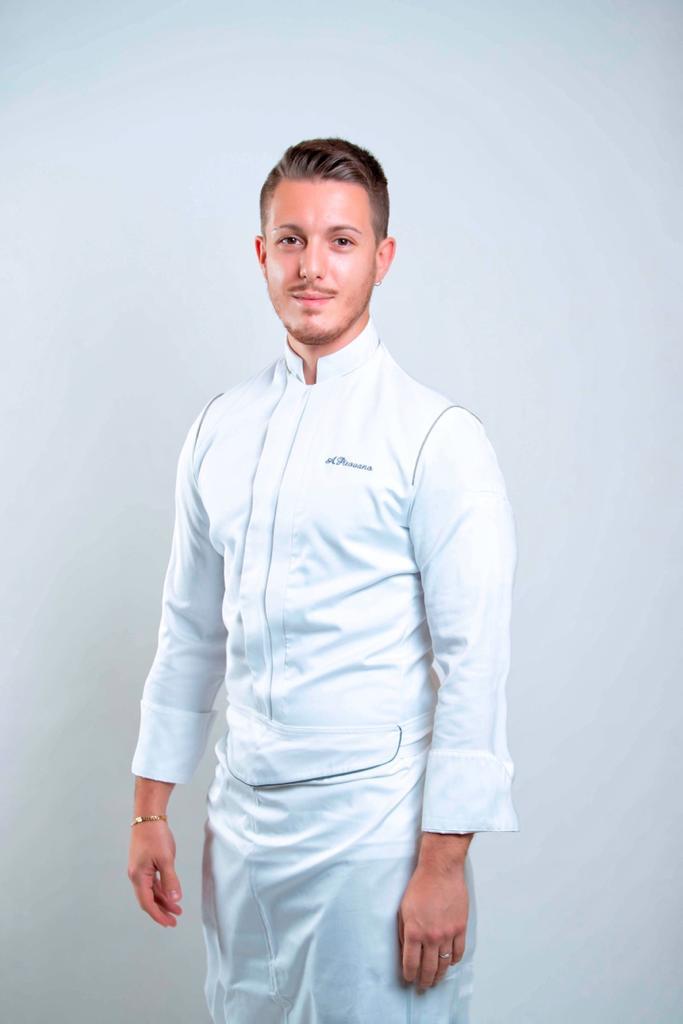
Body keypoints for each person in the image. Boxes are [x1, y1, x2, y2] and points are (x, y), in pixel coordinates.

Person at [128, 136, 520, 1023]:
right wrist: (150, 811)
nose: (312, 266)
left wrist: (443, 865)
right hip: (239, 835)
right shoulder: (220, 428)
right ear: (261, 253)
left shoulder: (435, 437)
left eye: (341, 241)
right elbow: (190, 632)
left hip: (373, 840)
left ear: (382, 257)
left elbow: (473, 665)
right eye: (291, 239)